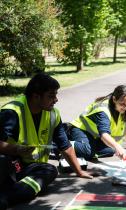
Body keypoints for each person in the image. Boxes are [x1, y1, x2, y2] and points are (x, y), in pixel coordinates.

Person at [0, 73, 92, 210]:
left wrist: (79, 171)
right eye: (51, 96)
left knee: (50, 170)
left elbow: (64, 146)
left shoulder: (53, 114)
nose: (56, 100)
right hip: (10, 164)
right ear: (36, 96)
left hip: (30, 168)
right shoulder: (12, 112)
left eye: (56, 95)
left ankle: (6, 197)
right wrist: (17, 149)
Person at [70, 85, 126, 160]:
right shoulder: (103, 110)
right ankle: (62, 144)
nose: (125, 107)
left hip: (96, 136)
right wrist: (117, 146)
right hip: (81, 129)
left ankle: (89, 149)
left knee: (110, 150)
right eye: (122, 104)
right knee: (87, 151)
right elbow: (104, 134)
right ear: (114, 99)